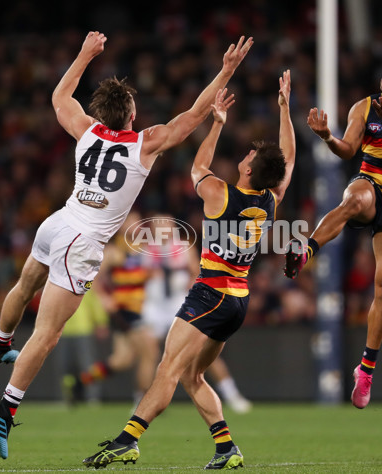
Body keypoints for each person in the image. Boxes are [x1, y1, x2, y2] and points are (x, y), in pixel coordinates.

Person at [0, 30, 253, 461]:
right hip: (84, 239)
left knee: (25, 283)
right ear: (130, 113)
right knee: (48, 334)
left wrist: (85, 55)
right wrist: (226, 70)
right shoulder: (144, 144)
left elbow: (59, 97)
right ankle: (6, 406)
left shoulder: (86, 130)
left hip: (58, 221)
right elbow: (195, 114)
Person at [83, 70, 295, 470]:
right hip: (237, 301)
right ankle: (225, 447)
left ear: (249, 170)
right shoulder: (270, 200)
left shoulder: (220, 194)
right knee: (192, 375)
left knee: (167, 369)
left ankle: (128, 439)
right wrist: (285, 110)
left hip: (209, 295)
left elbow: (198, 166)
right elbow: (288, 160)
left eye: (248, 157)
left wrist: (215, 126)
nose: (244, 156)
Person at [284, 53, 382, 409]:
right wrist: (326, 138)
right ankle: (306, 250)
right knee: (354, 198)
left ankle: (366, 369)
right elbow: (348, 150)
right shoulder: (363, 107)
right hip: (371, 183)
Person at [141, 216, 253, 413]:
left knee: (202, 352)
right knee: (148, 353)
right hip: (156, 306)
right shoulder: (147, 249)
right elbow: (140, 276)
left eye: (166, 225)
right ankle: (141, 399)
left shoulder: (183, 247)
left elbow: (198, 272)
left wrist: (186, 281)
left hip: (179, 302)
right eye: (158, 225)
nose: (162, 229)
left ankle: (232, 394)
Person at [79, 210, 159, 409]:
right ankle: (141, 403)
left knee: (122, 360)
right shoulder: (115, 251)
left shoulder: (144, 250)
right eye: (130, 221)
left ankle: (84, 381)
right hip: (125, 310)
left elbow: (149, 275)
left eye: (137, 221)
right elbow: (92, 277)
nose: (135, 225)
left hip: (141, 309)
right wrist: (104, 298)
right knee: (150, 353)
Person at [57, 287, 108, 405]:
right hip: (63, 329)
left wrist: (101, 322)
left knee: (88, 366)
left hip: (83, 328)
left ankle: (93, 397)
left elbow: (94, 303)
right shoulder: (58, 282)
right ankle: (67, 398)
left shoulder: (85, 281)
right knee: (65, 367)